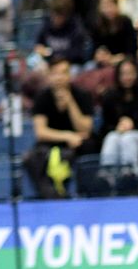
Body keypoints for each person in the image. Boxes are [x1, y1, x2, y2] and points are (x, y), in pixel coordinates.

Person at [24, 58, 95, 199]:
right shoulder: (42, 97)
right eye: (56, 73)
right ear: (49, 75)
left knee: (88, 148)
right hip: (52, 143)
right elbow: (40, 132)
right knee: (30, 158)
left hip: (77, 145)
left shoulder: (82, 95)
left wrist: (70, 102)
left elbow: (85, 129)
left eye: (64, 73)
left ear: (70, 75)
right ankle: (51, 197)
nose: (60, 77)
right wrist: (67, 136)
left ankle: (85, 196)